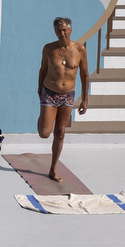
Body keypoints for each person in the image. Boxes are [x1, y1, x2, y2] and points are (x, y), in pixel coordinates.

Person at [37, 16, 89, 182]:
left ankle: (53, 168)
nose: (62, 33)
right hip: (49, 93)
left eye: (65, 30)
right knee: (45, 134)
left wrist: (85, 99)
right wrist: (39, 89)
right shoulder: (48, 49)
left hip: (68, 95)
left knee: (60, 133)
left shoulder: (80, 49)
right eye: (58, 31)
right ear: (55, 32)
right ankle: (43, 117)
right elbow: (43, 70)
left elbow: (84, 74)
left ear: (71, 30)